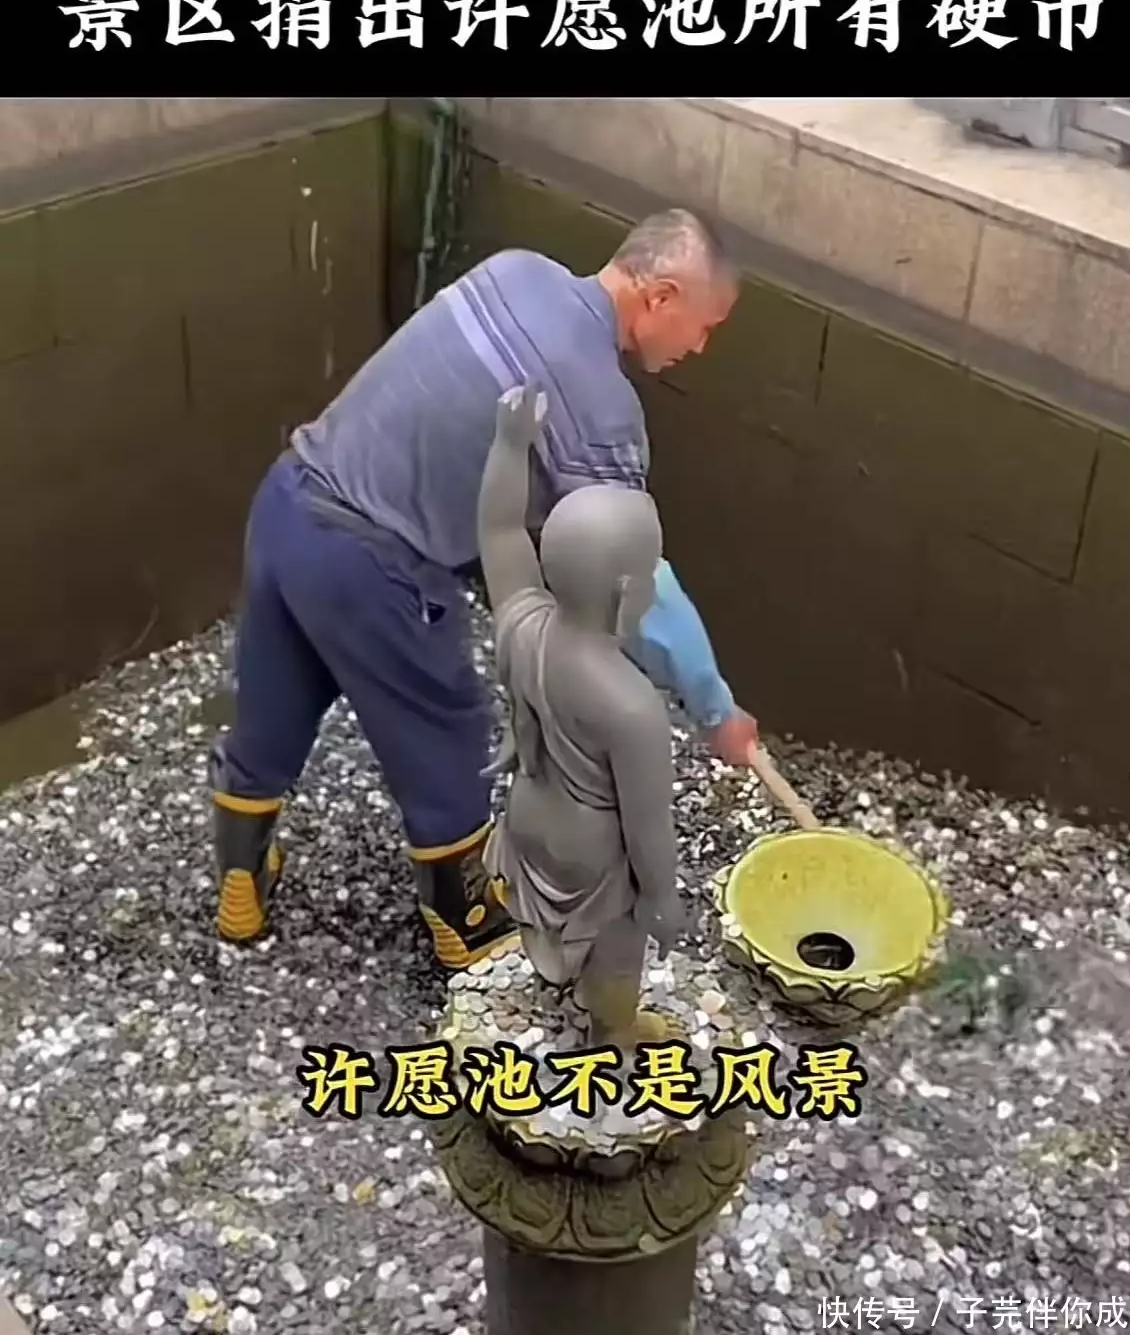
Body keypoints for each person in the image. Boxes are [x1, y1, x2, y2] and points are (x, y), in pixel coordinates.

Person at [210, 207, 759, 971]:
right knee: (447, 726)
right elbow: (636, 581)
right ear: (661, 295)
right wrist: (714, 706)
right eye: (705, 326)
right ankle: (464, 918)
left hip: (289, 501)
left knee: (279, 693)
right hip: (371, 561)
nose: (699, 347)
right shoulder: (601, 408)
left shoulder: (515, 270)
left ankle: (240, 874)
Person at [477, 384, 683, 1049]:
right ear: (628, 595)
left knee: (547, 908)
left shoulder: (525, 627)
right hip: (591, 857)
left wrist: (510, 446)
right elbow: (647, 829)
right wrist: (661, 898)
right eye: (653, 572)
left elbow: (499, 530)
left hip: (528, 820)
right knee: (619, 943)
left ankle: (550, 967)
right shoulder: (631, 705)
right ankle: (613, 1029)